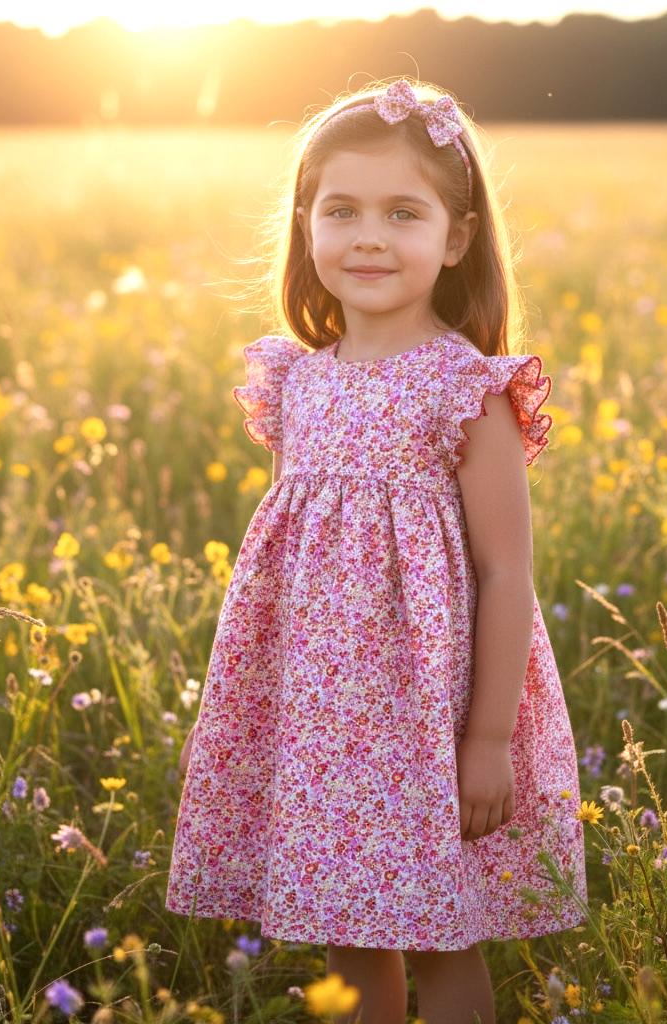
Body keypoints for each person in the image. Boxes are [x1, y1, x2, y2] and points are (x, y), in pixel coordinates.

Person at [165, 76, 587, 1024]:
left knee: (443, 929)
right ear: (306, 226)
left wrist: (485, 740)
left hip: (428, 713)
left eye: (404, 213)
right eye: (342, 210)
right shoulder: (297, 383)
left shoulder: (467, 388)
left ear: (458, 237)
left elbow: (506, 571)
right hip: (319, 714)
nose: (368, 237)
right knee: (348, 929)